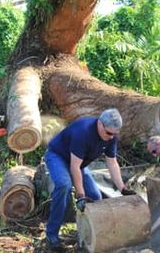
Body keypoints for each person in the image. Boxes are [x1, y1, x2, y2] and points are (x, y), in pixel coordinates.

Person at [44, 108, 136, 251]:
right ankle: (52, 235)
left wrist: (122, 189)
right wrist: (80, 196)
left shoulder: (111, 136)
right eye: (109, 133)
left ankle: (87, 235)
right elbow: (74, 167)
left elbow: (112, 163)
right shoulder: (83, 132)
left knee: (95, 197)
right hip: (58, 156)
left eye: (114, 134)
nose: (111, 137)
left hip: (79, 163)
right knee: (64, 186)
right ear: (100, 124)